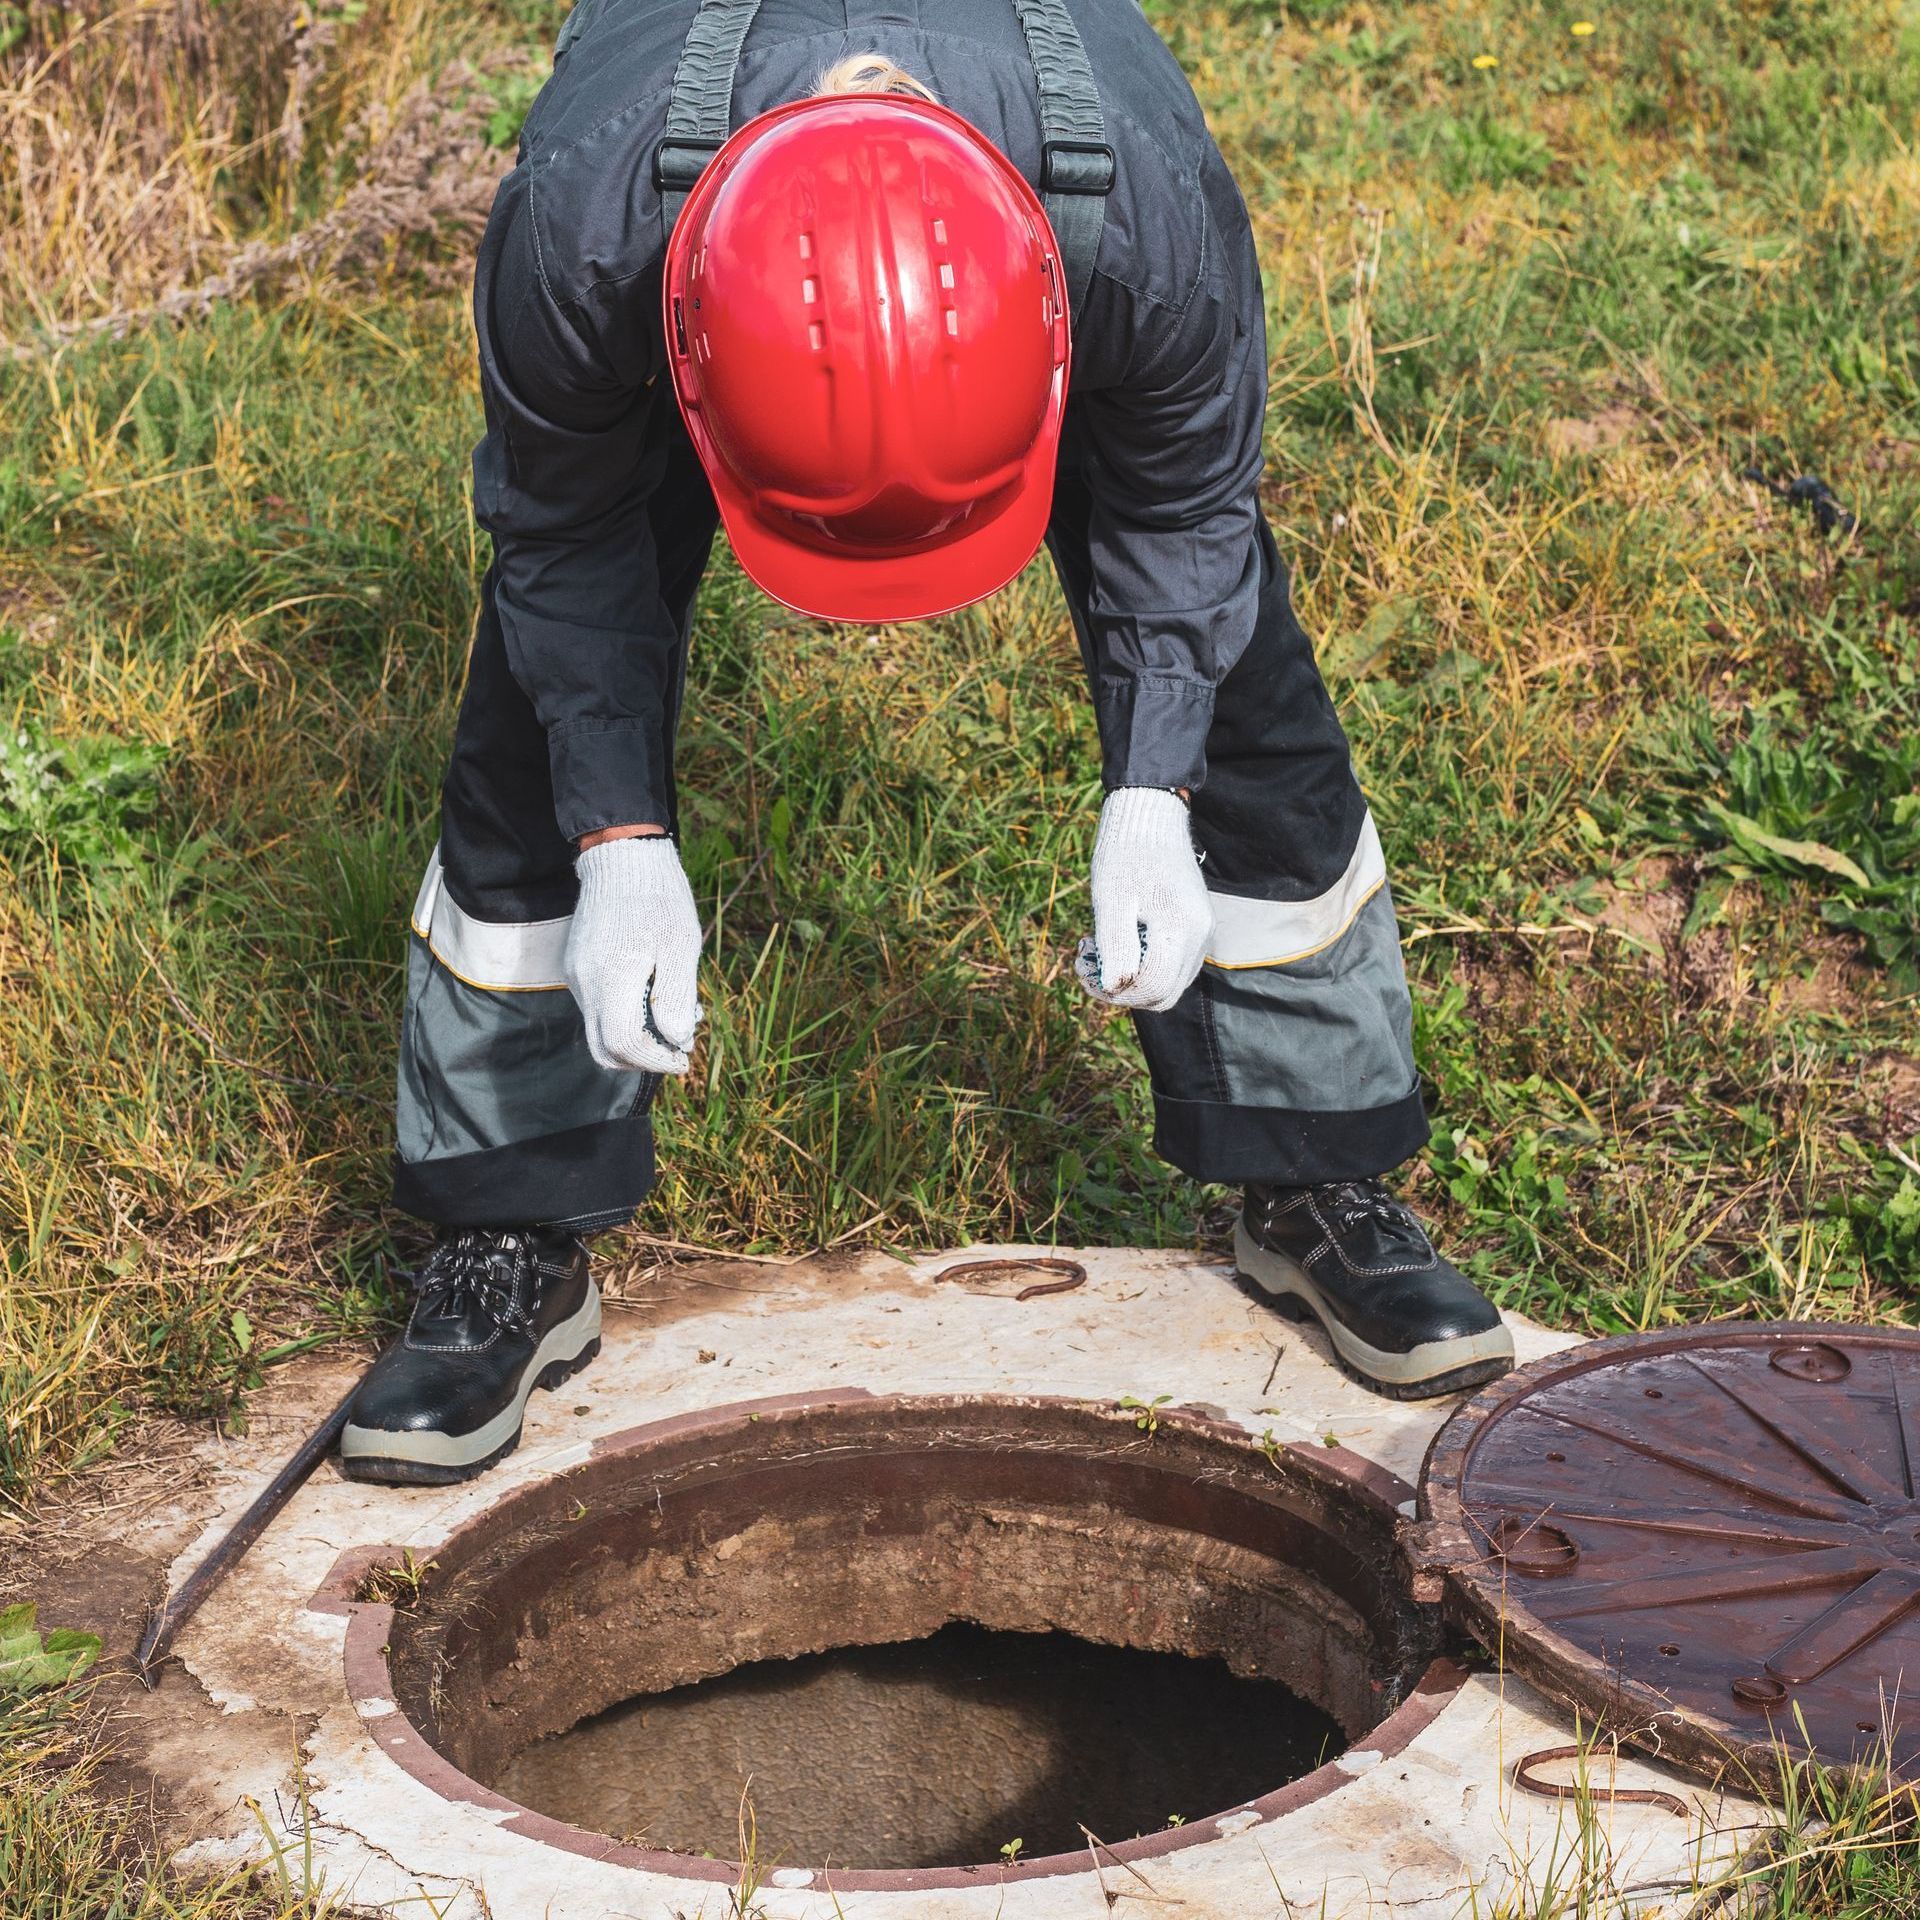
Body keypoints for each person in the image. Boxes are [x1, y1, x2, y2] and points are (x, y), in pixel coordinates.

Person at [339, 0, 1516, 1485]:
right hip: (667, 257)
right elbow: (565, 544)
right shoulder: (588, 228)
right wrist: (617, 841)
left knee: (1240, 684)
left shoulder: (1140, 213)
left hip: (1072, 268)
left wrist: (1154, 788)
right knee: (539, 698)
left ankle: (1313, 1178)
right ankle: (507, 1224)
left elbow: (1181, 516)